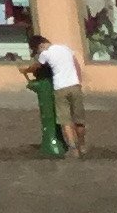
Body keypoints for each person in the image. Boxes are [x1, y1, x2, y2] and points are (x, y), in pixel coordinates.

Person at [30, 30, 84, 159]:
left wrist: (26, 70)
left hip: (60, 88)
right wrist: (78, 80)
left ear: (40, 46)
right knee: (79, 120)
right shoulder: (65, 48)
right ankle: (82, 145)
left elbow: (37, 67)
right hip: (75, 86)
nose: (38, 53)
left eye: (37, 51)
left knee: (65, 121)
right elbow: (76, 65)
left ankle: (73, 150)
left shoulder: (45, 54)